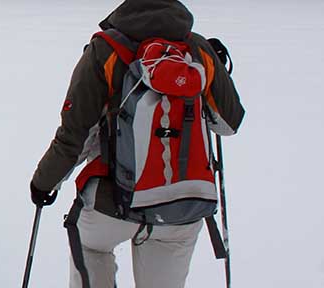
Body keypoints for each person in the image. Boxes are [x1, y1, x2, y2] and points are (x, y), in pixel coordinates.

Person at [28, 0, 244, 287]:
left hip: (115, 203)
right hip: (185, 204)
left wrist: (44, 183)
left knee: (91, 245)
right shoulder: (198, 50)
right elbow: (230, 123)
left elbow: (74, 138)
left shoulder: (105, 50)